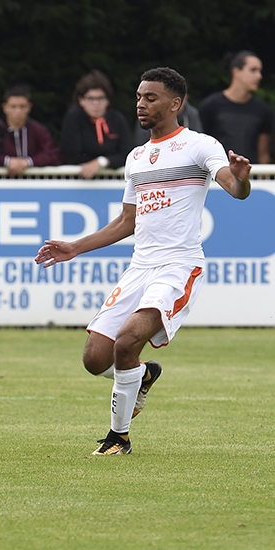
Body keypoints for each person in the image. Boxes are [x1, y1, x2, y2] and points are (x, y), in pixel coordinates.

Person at [35, 67, 251, 456]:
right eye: (138, 96)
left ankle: (119, 438)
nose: (140, 104)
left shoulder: (200, 145)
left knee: (127, 340)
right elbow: (126, 221)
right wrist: (75, 247)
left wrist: (241, 178)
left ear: (175, 103)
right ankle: (144, 374)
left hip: (179, 265)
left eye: (150, 98)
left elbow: (235, 188)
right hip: (140, 267)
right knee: (94, 358)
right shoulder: (137, 157)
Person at [0, 84, 62, 175]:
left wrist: (29, 162)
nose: (18, 111)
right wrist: (6, 161)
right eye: (13, 107)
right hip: (0, 186)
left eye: (22, 107)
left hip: (32, 186)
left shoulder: (39, 130)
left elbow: (54, 155)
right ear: (5, 107)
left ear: (29, 107)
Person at [198, 51, 273, 164]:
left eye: (260, 71)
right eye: (253, 70)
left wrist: (263, 180)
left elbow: (263, 155)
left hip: (251, 177)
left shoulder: (263, 111)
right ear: (236, 72)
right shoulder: (210, 106)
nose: (259, 76)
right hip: (217, 176)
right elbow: (200, 149)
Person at [61, 70, 135, 179]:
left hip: (112, 181)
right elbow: (71, 155)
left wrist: (102, 161)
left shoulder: (117, 119)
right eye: (90, 98)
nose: (96, 104)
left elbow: (129, 153)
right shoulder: (74, 118)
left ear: (108, 100)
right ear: (81, 100)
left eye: (100, 98)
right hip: (79, 180)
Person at [134, 92, 202, 146]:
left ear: (186, 97)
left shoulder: (191, 114)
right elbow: (141, 142)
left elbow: (197, 140)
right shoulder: (149, 115)